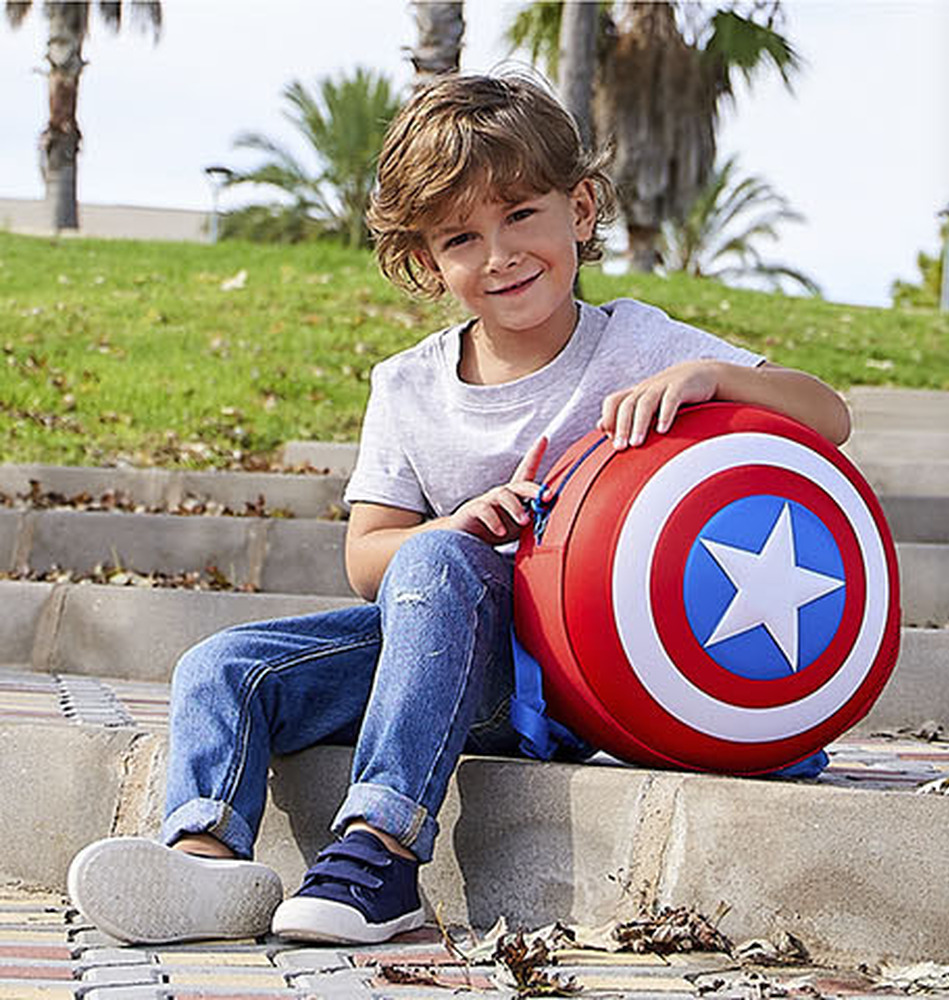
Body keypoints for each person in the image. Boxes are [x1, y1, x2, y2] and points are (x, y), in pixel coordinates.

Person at [67, 72, 850, 947]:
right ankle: (207, 867)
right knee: (224, 665)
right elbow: (367, 557)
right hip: (440, 658)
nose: (500, 254)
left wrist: (711, 376)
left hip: (568, 679)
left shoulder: (639, 343)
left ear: (581, 209)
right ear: (427, 261)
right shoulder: (406, 386)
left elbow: (829, 417)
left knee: (436, 564)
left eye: (521, 215)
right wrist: (457, 525)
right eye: (462, 237)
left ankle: (380, 852)